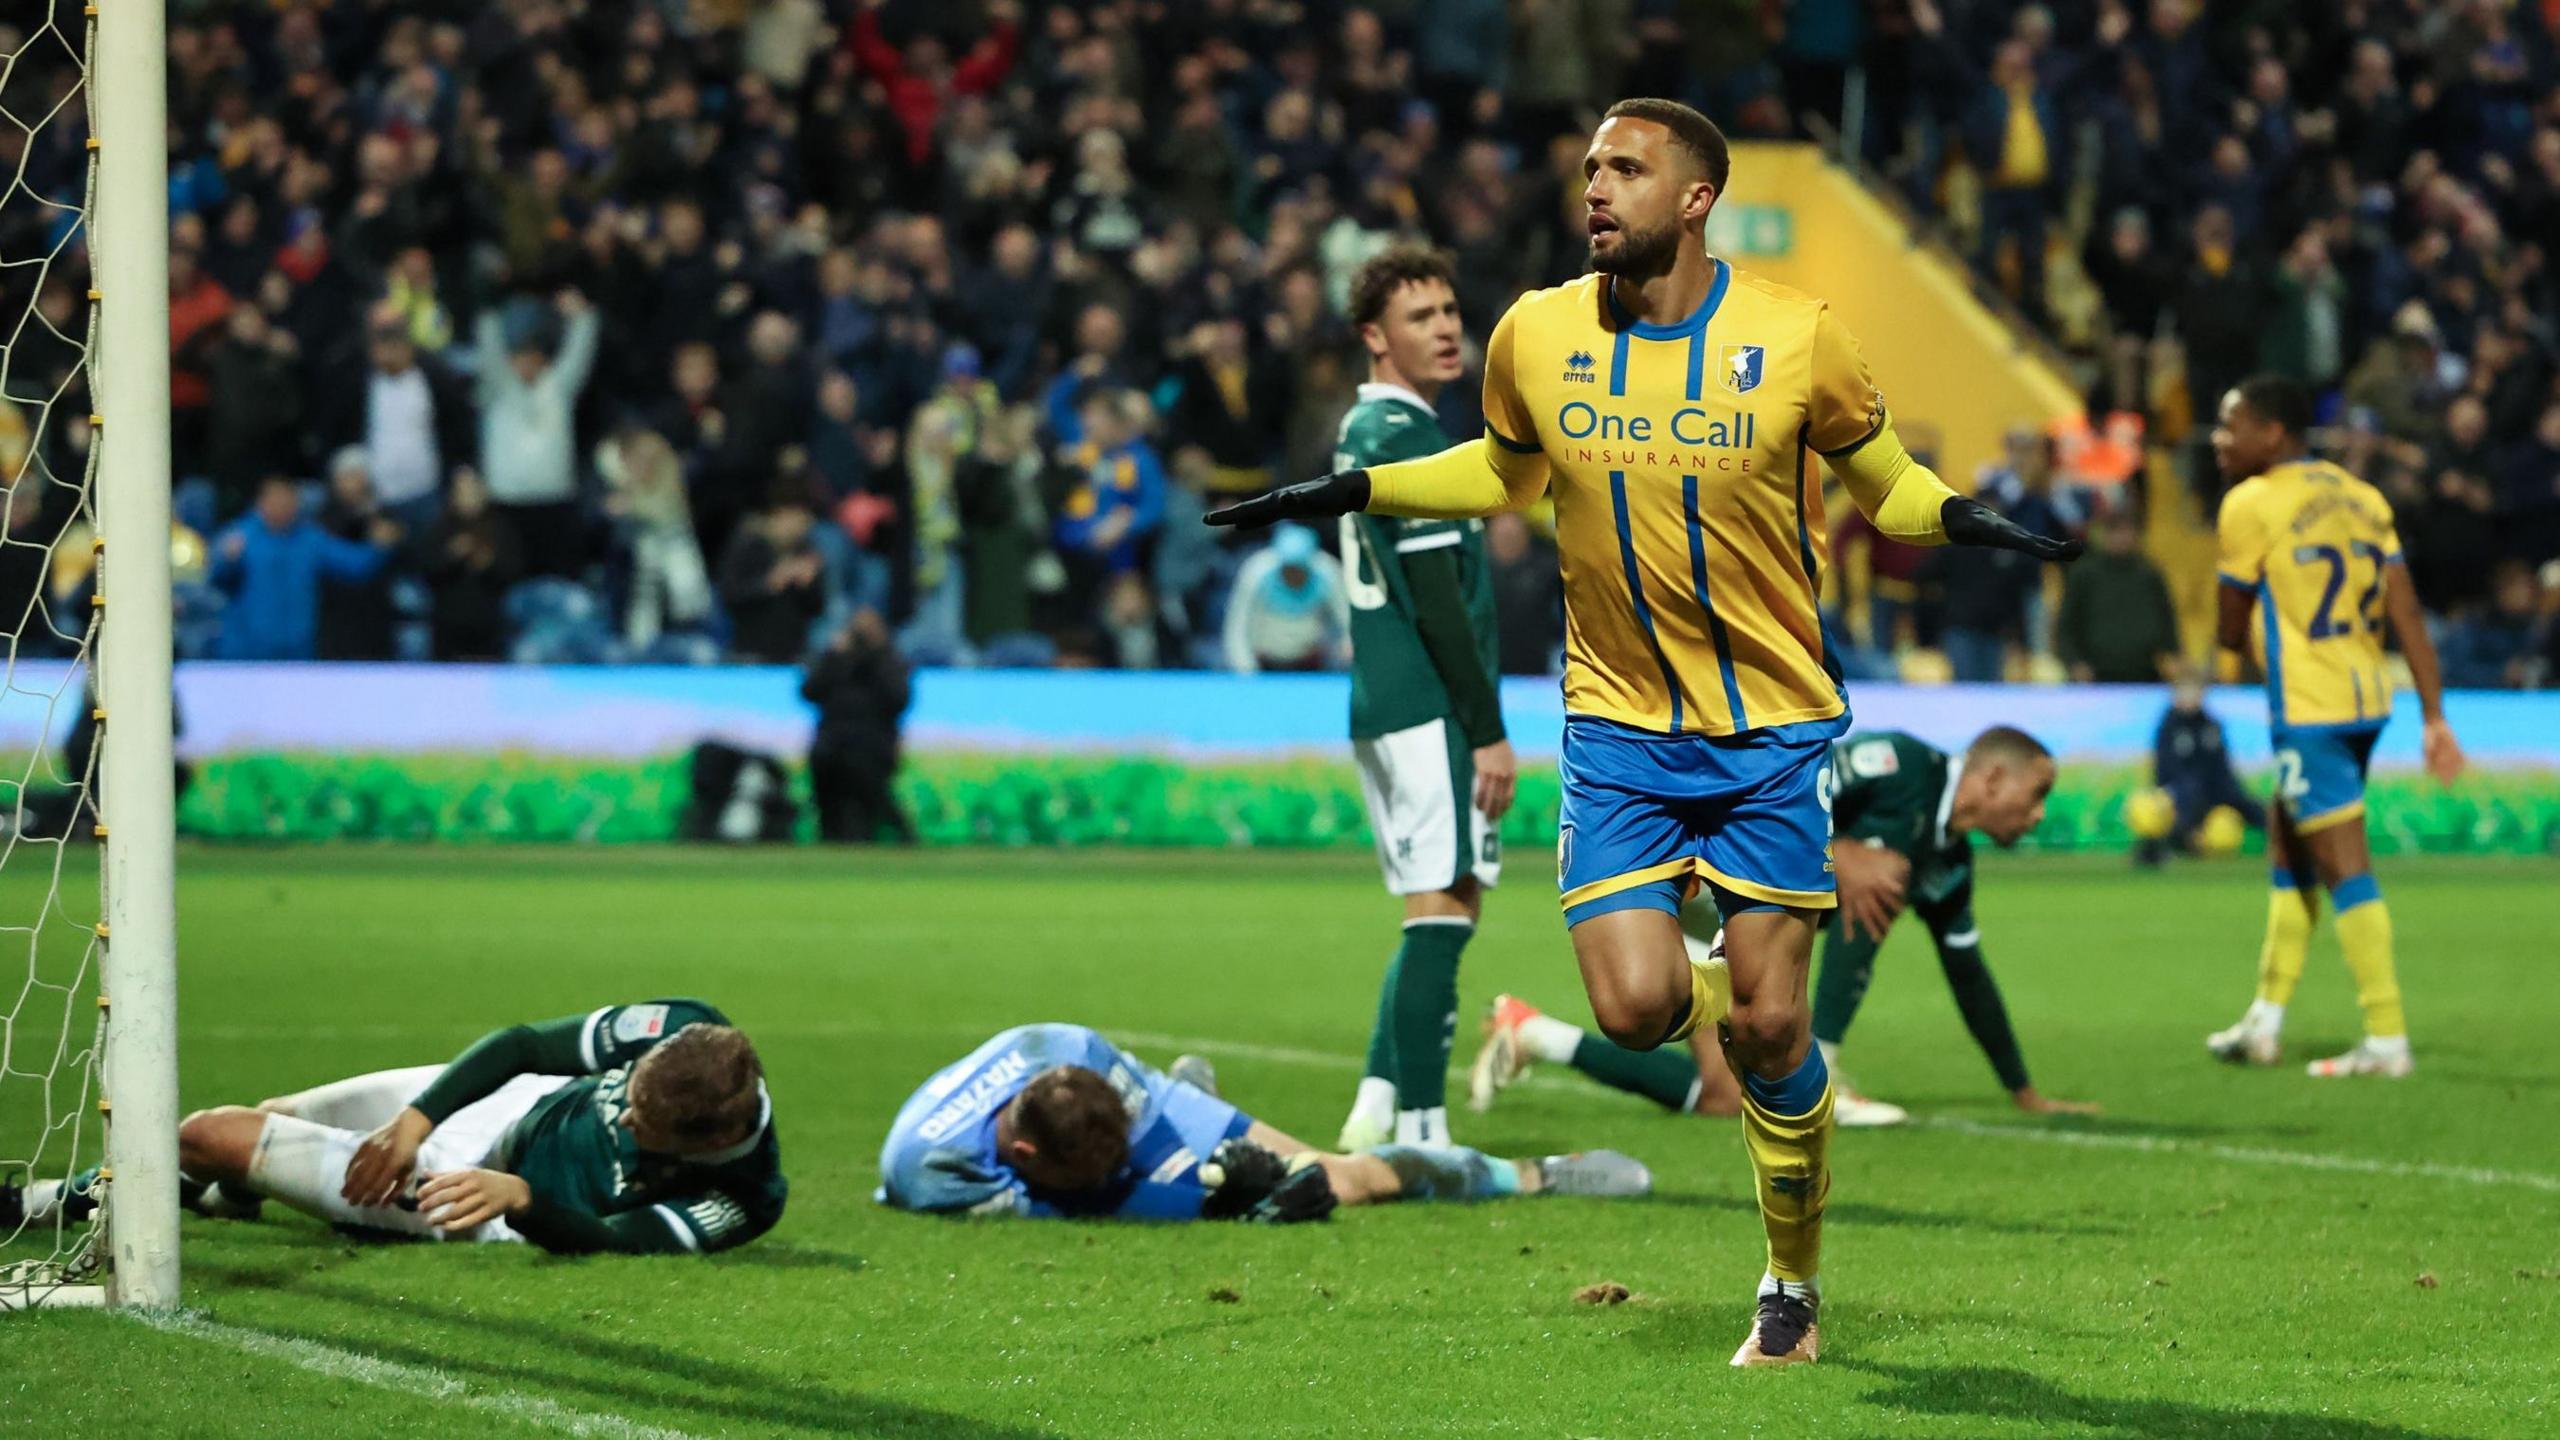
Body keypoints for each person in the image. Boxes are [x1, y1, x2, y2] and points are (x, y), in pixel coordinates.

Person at [1204, 98, 2080, 1366]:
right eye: (1589, 168)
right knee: (1632, 1009)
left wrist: (1963, 516)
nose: (1596, 187)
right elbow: (1504, 474)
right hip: (1617, 730)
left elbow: (1881, 480)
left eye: (1626, 168)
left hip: (1771, 735)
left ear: (1696, 197)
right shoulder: (1537, 334)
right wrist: (1357, 487)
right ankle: (1733, 994)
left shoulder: (1796, 338)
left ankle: (1789, 1281)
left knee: (1774, 1040)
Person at [1472, 728, 2099, 1128]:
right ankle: (1819, 1067)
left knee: (1722, 1097)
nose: (2040, 812)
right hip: (1701, 895)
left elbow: (1969, 975)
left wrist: (2022, 1089)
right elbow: (1779, 786)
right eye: (2036, 792)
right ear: (1992, 778)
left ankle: (1532, 1033)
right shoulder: (1901, 765)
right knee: (1875, 880)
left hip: (1742, 932)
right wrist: (1841, 852)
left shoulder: (1949, 861)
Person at [5, 1001, 783, 1256]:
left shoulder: (746, 1198)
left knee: (210, 1135)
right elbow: (527, 1048)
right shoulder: (685, 1029)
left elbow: (613, 1242)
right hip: (509, 1110)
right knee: (274, 1114)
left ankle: (37, 1203)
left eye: (644, 1125)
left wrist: (518, 1198)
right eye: (629, 1095)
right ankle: (226, 1198)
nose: (625, 1114)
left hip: (481, 1200)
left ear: (710, 1142)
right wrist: (415, 1123)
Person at [2203, 376, 2464, 1078]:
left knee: (2344, 864)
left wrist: (2248, 618)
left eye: (2233, 425)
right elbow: (2406, 613)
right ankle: (2265, 1019)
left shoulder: (2250, 504)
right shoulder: (2362, 497)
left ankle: (2386, 1037)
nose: (2219, 439)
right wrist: (2434, 713)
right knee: (2290, 853)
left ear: (2274, 435)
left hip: (2310, 709)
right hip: (2369, 697)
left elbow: (2229, 631)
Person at [1324, 248, 1517, 1153]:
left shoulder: (1360, 436)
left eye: (1449, 310)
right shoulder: (1409, 441)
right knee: (1447, 906)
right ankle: (1427, 1130)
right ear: (1374, 337)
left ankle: (1376, 1099)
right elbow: (1440, 603)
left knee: (1433, 906)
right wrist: (1487, 732)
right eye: (1419, 317)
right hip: (1430, 704)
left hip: (1383, 697)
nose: (1445, 329)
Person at [876, 1024, 1649, 1223]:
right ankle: (1196, 1096)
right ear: (1019, 1151)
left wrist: (1248, 1178)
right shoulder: (928, 1170)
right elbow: (1073, 1199)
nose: (1108, 1174)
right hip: (1079, 1129)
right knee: (1264, 1189)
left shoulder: (1076, 1054)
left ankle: (1535, 1173)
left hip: (1146, 1102)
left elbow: (1097, 1169)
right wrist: (1223, 1201)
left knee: (1330, 1179)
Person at [209, 476, 398, 660]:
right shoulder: (240, 536)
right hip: (245, 656)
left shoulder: (310, 540)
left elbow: (354, 566)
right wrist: (228, 561)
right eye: (276, 499)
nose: (282, 505)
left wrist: (377, 547)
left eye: (287, 500)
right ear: (261, 503)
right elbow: (215, 579)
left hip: (298, 656)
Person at [801, 609, 917, 844]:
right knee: (827, 782)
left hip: (871, 747)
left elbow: (899, 699)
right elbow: (809, 691)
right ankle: (830, 837)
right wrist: (834, 656)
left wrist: (874, 656)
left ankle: (898, 836)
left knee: (868, 790)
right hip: (832, 746)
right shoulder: (836, 661)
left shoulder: (890, 661)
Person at [2054, 508, 2179, 684]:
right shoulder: (2084, 574)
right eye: (2115, 531)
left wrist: (2173, 654)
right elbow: (2066, 625)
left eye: (2126, 531)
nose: (2121, 537)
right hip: (2095, 676)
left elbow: (2167, 619)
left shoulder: (2149, 574)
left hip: (2145, 674)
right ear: (2104, 534)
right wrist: (2074, 662)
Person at [1220, 522, 1349, 673]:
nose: (1293, 574)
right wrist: (1246, 670)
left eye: (1298, 568)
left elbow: (1347, 620)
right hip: (1264, 666)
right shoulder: (1256, 572)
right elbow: (1238, 626)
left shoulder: (1328, 572)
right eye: (1288, 568)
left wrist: (1346, 650)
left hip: (1313, 667)